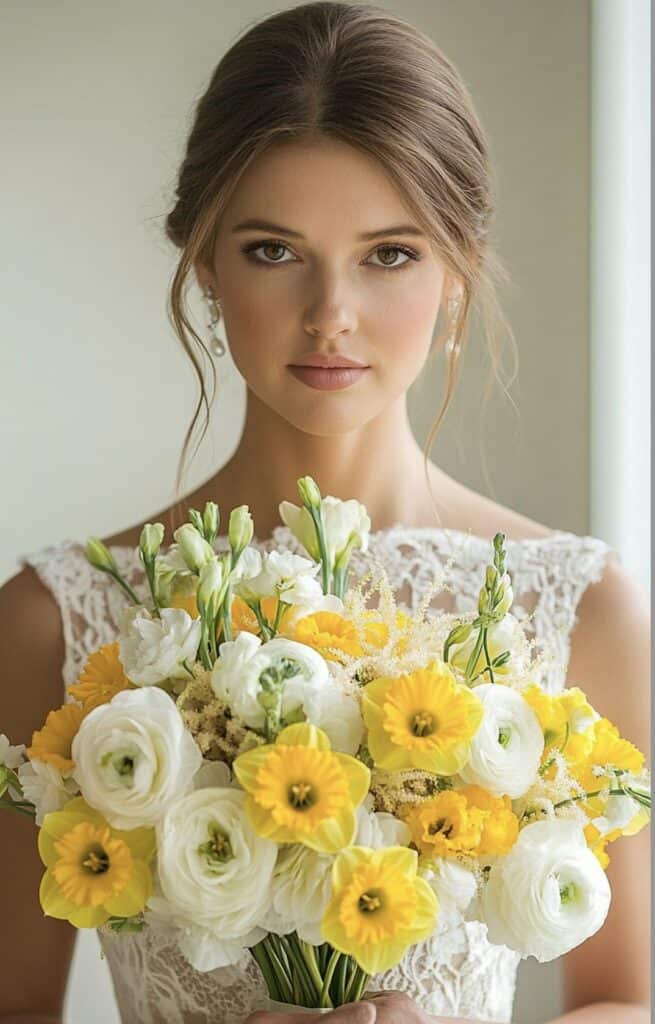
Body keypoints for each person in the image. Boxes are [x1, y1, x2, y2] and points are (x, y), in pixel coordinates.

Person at [0, 3, 649, 1023]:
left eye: (388, 252)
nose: (330, 311)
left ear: (457, 268)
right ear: (204, 260)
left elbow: (625, 997)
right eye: (272, 250)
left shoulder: (583, 608)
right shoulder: (55, 619)